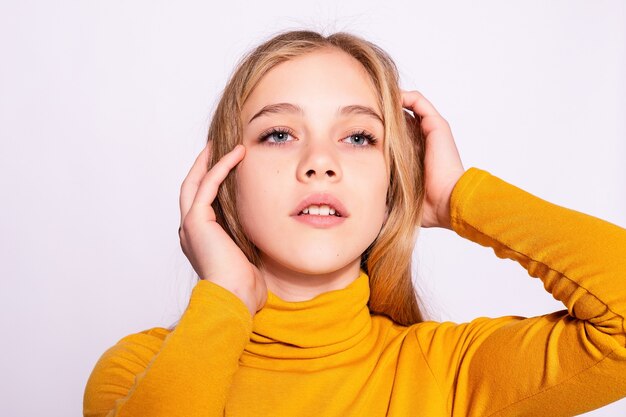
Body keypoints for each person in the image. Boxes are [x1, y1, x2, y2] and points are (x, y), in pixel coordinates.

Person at [82, 30, 626, 417]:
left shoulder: (447, 372)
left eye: (359, 137)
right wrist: (222, 298)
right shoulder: (137, 371)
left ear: (393, 181)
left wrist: (460, 198)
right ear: (223, 175)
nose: (321, 161)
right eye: (279, 133)